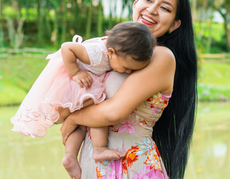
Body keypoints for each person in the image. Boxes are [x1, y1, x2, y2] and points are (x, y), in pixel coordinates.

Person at [61, 0, 198, 179]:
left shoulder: (162, 57)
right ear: (136, 4)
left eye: (165, 8)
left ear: (174, 25)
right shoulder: (115, 48)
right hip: (95, 163)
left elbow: (113, 112)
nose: (152, 10)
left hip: (131, 165)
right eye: (148, 0)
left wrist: (74, 119)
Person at [10, 21, 157, 177]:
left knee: (83, 123)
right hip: (75, 84)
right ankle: (98, 149)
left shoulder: (118, 51)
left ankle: (69, 156)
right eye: (126, 68)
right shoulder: (96, 53)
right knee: (98, 112)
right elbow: (67, 47)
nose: (127, 71)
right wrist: (75, 73)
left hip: (85, 84)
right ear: (111, 52)